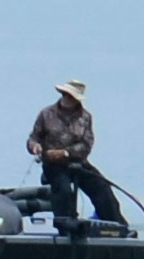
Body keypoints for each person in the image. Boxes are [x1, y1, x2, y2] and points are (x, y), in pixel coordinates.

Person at [26, 79, 123, 236]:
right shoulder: (46, 114)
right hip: (53, 165)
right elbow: (34, 138)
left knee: (101, 187)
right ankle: (66, 226)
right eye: (65, 95)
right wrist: (35, 147)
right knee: (63, 190)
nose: (66, 99)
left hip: (78, 162)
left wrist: (66, 153)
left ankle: (117, 226)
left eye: (70, 96)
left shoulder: (85, 117)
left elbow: (86, 144)